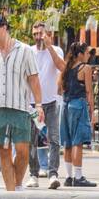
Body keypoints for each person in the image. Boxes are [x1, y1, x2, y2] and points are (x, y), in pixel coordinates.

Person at [0, 15, 45, 192]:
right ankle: (12, 193)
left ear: (4, 28)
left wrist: (39, 105)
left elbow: (34, 80)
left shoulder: (25, 50)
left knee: (22, 151)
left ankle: (17, 185)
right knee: (4, 151)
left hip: (20, 108)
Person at [27, 23, 65, 189]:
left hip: (51, 102)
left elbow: (63, 68)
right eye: (34, 34)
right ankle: (33, 174)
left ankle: (53, 174)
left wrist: (49, 47)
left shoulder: (56, 50)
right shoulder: (29, 51)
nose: (37, 37)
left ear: (48, 34)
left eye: (40, 33)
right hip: (33, 103)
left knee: (54, 139)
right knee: (31, 140)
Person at [58, 42, 97, 187]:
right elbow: (89, 91)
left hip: (65, 105)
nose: (88, 56)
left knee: (67, 143)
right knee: (77, 142)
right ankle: (78, 177)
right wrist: (92, 111)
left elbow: (59, 89)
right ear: (80, 54)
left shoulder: (66, 68)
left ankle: (68, 177)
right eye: (87, 53)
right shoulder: (85, 68)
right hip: (78, 104)